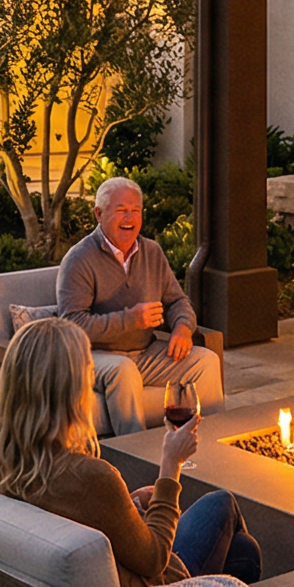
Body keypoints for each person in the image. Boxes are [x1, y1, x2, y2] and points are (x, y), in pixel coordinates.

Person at [0, 317, 261, 587]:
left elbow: (78, 511)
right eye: (87, 369)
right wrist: (171, 466)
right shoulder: (91, 477)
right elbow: (154, 560)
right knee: (223, 505)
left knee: (243, 549)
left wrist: (128, 503)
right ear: (71, 388)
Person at [59, 176, 222, 436]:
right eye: (121, 210)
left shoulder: (152, 252)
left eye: (136, 211)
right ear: (99, 214)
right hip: (95, 357)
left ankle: (211, 445)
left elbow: (177, 301)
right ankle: (136, 457)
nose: (130, 219)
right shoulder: (79, 259)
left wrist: (183, 327)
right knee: (124, 371)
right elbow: (72, 325)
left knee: (206, 361)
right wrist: (130, 319)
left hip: (145, 353)